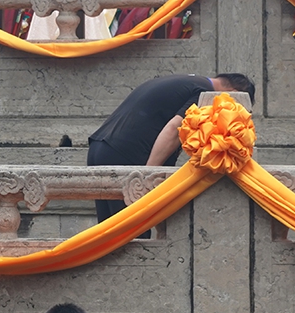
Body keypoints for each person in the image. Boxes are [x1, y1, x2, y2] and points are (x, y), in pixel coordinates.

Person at [86, 74, 256, 225]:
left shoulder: (185, 81)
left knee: (108, 234)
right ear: (234, 93)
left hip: (100, 149)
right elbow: (174, 129)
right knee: (130, 234)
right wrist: (148, 175)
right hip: (125, 156)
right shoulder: (205, 93)